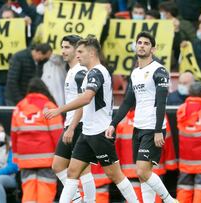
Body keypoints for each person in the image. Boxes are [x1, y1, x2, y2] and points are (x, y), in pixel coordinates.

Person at [44, 36, 139, 203]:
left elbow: (86, 98)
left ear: (92, 53)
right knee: (72, 172)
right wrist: (73, 124)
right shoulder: (89, 73)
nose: (77, 55)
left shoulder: (97, 72)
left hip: (100, 132)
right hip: (87, 132)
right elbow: (83, 102)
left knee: (114, 175)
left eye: (80, 51)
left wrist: (59, 110)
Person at [106, 31, 178, 203]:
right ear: (135, 46)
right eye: (140, 42)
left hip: (153, 127)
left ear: (153, 49)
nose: (142, 45)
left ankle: (169, 200)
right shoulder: (135, 73)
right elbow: (127, 102)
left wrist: (158, 130)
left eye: (146, 43)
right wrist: (113, 124)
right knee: (144, 175)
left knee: (142, 171)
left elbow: (162, 103)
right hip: (138, 127)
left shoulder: (159, 71)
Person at [92, 110, 178, 203]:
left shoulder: (121, 120)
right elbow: (167, 141)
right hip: (152, 172)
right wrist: (171, 165)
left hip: (130, 172)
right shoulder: (160, 117)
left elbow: (116, 149)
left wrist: (117, 170)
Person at [51, 35, 96, 203]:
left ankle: (88, 201)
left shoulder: (80, 72)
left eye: (67, 47)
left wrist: (71, 127)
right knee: (58, 166)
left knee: (84, 170)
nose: (63, 51)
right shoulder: (71, 70)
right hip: (71, 123)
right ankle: (78, 199)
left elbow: (84, 102)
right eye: (62, 47)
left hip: (80, 124)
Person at [11, 77, 63, 203]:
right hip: (46, 159)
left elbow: (14, 135)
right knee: (45, 190)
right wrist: (62, 156)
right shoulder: (49, 107)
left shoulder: (19, 107)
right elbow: (58, 135)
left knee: (28, 191)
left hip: (25, 159)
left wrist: (16, 158)